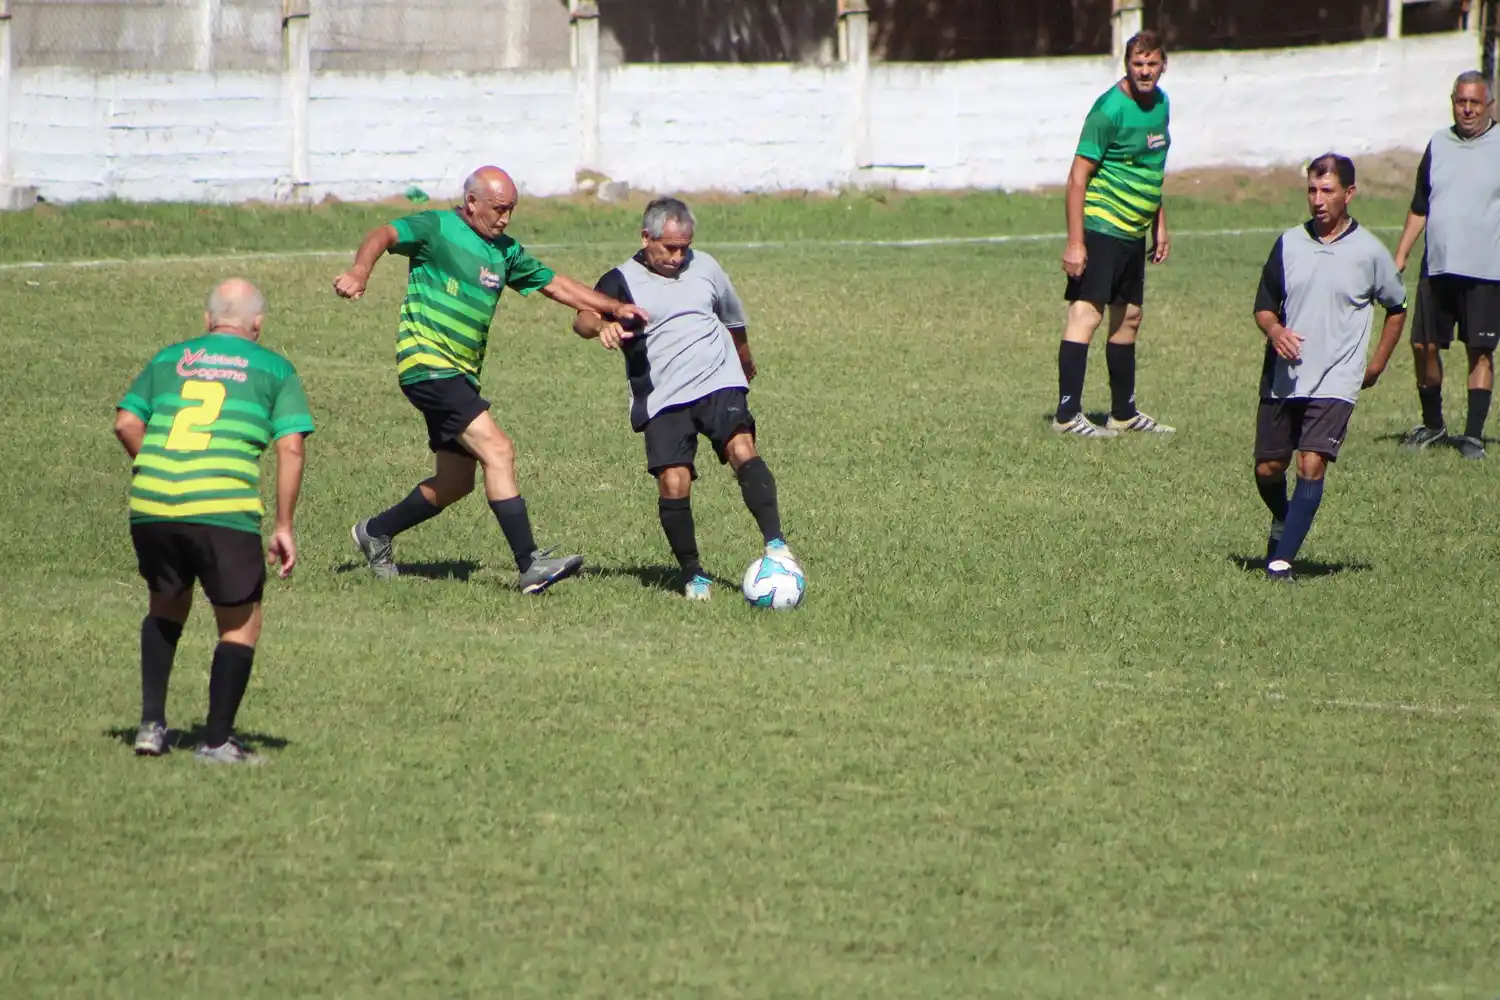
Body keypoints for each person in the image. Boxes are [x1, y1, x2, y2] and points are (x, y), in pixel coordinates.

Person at [336, 166, 649, 592]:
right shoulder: (437, 226)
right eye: (499, 209)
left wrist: (613, 308)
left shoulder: (505, 251)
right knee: (499, 450)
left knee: (455, 483)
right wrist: (360, 271)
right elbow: (384, 234)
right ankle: (529, 564)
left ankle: (375, 531)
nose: (505, 218)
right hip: (429, 365)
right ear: (471, 202)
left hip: (460, 375)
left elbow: (555, 285)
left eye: (511, 209)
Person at [113, 279, 313, 764]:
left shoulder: (169, 359)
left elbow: (126, 422)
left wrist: (159, 467)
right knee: (240, 624)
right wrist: (283, 525)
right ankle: (217, 740)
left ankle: (151, 726)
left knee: (166, 605)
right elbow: (291, 447)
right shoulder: (275, 368)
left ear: (207, 320)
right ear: (258, 324)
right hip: (222, 509)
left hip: (153, 505)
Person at [572, 197, 796, 600]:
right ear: (646, 237)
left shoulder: (705, 266)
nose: (678, 257)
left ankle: (776, 546)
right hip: (662, 396)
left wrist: (744, 359)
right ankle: (693, 574)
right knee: (674, 481)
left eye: (684, 247)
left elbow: (733, 318)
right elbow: (583, 318)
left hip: (717, 379)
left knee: (742, 448)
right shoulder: (620, 280)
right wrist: (602, 326)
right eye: (670, 248)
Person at [1252, 155, 1407, 581]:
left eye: (1327, 191)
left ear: (1348, 194)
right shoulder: (1288, 243)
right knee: (1267, 469)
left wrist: (1377, 363)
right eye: (1312, 190)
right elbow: (1264, 306)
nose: (1318, 200)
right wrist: (1275, 330)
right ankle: (1285, 518)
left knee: (1311, 463)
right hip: (1285, 377)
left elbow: (1397, 307)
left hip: (1338, 377)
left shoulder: (1369, 252)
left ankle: (1281, 563)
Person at [1053, 30, 1175, 438]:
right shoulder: (1108, 111)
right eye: (1138, 64)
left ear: (1163, 65)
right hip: (1102, 227)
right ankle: (1067, 416)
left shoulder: (1161, 105)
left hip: (1133, 233)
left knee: (1130, 317)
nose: (1145, 71)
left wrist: (1158, 222)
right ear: (1127, 65)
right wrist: (1076, 242)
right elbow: (1077, 178)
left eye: (1152, 64)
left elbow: (1151, 167)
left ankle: (1123, 413)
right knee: (1086, 314)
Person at [1393, 70, 1500, 459]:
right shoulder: (1438, 144)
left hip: (1486, 270)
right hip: (1437, 267)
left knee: (1479, 351)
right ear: (1452, 102)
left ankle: (1472, 436)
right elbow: (1420, 206)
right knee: (1422, 346)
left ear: (1490, 105)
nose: (1467, 109)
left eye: (1475, 102)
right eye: (1461, 101)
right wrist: (1401, 255)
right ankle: (1434, 425)